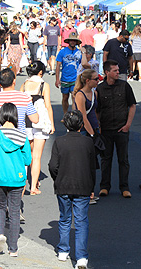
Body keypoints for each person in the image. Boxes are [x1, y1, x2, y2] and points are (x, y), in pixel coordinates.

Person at [49, 110, 96, 269]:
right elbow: (92, 168)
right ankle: (81, 257)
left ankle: (63, 250)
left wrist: (58, 178)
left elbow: (53, 166)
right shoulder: (88, 142)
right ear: (81, 125)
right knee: (81, 221)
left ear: (65, 124)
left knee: (64, 218)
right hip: (83, 185)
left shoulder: (59, 142)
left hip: (63, 185)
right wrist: (91, 187)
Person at [0, 103, 32, 257]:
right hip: (16, 179)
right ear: (15, 116)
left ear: (1, 115)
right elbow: (27, 160)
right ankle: (13, 248)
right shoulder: (22, 136)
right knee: (14, 211)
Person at [0, 68, 39, 157]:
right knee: (19, 168)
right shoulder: (24, 97)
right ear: (14, 81)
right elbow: (35, 119)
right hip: (19, 140)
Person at [97, 60, 136, 198]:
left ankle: (124, 187)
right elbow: (97, 110)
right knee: (106, 159)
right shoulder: (100, 89)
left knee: (123, 160)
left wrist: (128, 125)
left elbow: (132, 105)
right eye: (115, 70)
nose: (118, 72)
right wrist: (98, 126)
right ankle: (104, 187)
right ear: (107, 72)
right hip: (106, 130)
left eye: (118, 70)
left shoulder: (125, 86)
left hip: (121, 129)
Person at [21, 61, 55, 196]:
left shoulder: (24, 85)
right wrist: (52, 124)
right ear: (41, 72)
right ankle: (34, 186)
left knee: (27, 155)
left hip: (26, 121)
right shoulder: (43, 85)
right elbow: (48, 106)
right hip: (40, 122)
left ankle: (23, 183)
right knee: (37, 156)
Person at [73, 69, 100, 205]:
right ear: (88, 80)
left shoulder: (94, 93)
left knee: (92, 163)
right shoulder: (80, 95)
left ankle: (90, 192)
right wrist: (92, 134)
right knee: (84, 163)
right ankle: (84, 193)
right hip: (84, 132)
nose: (98, 80)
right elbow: (83, 116)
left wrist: (98, 129)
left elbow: (94, 112)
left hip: (94, 129)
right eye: (96, 79)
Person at [55, 32, 83, 115]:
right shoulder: (62, 52)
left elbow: (82, 65)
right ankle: (65, 114)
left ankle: (73, 115)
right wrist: (57, 79)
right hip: (65, 78)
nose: (73, 42)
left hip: (76, 79)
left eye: (74, 41)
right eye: (71, 40)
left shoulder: (79, 52)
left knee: (74, 98)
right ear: (68, 41)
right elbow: (58, 66)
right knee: (65, 98)